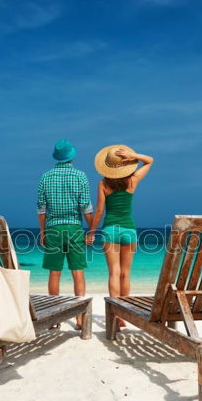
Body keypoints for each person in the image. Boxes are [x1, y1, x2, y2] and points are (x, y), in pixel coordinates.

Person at [86, 145, 154, 329]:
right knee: (125, 273)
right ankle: (124, 314)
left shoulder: (103, 184)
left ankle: (115, 316)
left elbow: (99, 211)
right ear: (124, 165)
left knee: (114, 273)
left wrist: (91, 231)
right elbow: (150, 160)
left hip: (110, 231)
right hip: (129, 231)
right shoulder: (133, 180)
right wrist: (133, 155)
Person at [37, 139, 94, 329]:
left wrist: (43, 232)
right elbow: (86, 208)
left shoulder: (45, 177)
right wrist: (92, 230)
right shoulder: (80, 176)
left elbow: (41, 209)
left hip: (53, 228)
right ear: (72, 156)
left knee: (55, 273)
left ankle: (55, 318)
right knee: (77, 272)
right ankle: (79, 317)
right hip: (74, 229)